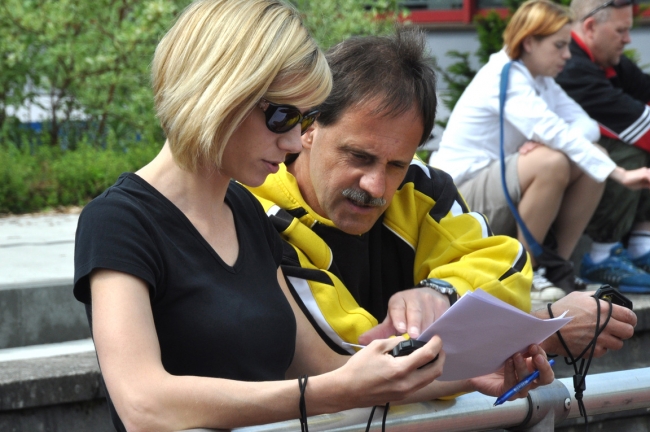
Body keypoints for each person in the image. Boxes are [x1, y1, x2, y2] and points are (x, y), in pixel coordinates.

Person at [72, 2, 550, 431]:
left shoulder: (242, 210)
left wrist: (471, 375)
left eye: (301, 121)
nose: (291, 142)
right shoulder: (119, 220)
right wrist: (324, 395)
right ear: (219, 93)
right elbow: (143, 404)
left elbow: (327, 364)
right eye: (280, 117)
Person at [249, 28, 636, 363]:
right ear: (309, 128)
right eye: (358, 157)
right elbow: (354, 360)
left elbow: (507, 264)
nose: (376, 186)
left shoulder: (422, 186)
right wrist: (537, 333)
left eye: (396, 164)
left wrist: (441, 295)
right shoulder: (256, 213)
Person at [430, 0, 650, 301]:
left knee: (587, 155)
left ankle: (555, 267)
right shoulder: (504, 76)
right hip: (458, 204)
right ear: (530, 41)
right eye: (559, 45)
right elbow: (556, 132)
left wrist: (550, 139)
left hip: (496, 194)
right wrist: (621, 174)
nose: (567, 55)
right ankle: (525, 272)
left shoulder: (542, 80)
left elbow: (587, 127)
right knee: (550, 162)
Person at [555, 0, 650, 293]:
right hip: (532, 176)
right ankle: (602, 255)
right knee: (630, 152)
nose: (628, 39)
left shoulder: (606, 60)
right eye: (621, 30)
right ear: (591, 27)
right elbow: (640, 124)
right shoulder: (572, 67)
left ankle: (641, 247)